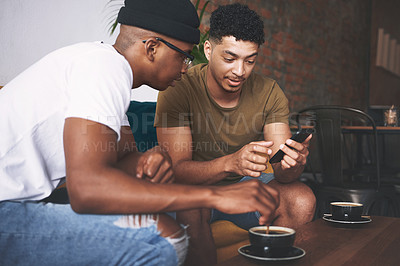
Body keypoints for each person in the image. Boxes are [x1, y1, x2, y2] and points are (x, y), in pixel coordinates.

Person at [0, 1, 280, 265]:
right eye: (183, 57)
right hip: (5, 208)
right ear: (152, 48)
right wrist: (214, 196)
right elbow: (86, 189)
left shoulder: (103, 67)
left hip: (16, 203)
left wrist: (151, 158)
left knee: (168, 222)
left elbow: (124, 159)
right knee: (159, 240)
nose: (186, 69)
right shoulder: (102, 69)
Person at [155, 3, 316, 265]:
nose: (240, 71)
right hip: (194, 190)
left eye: (249, 60)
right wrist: (232, 163)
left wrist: (292, 164)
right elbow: (177, 170)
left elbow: (283, 173)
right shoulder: (179, 86)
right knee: (191, 205)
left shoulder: (269, 92)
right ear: (208, 49)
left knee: (300, 198)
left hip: (245, 190)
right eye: (229, 58)